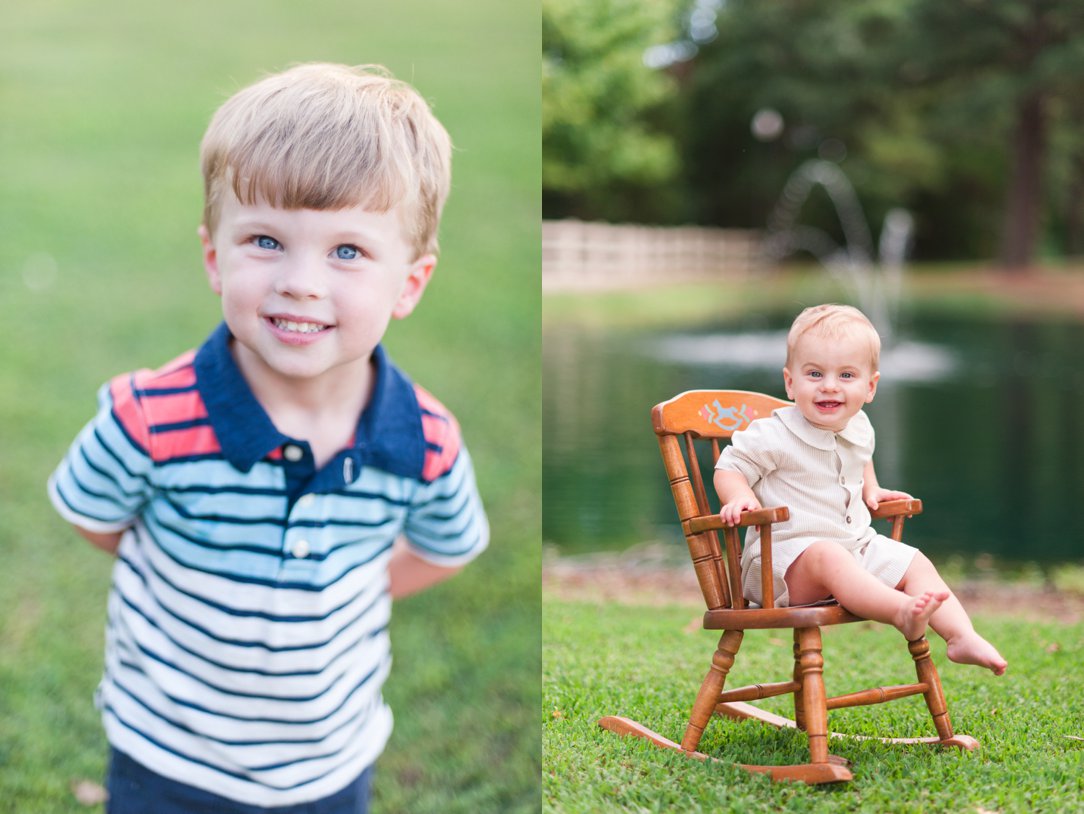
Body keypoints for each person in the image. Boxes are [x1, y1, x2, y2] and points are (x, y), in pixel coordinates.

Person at [47, 63, 489, 812]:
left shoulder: (425, 443)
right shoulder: (148, 417)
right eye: (265, 240)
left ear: (409, 284)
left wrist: (344, 586)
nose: (302, 281)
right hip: (166, 754)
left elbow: (448, 547)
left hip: (328, 765)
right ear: (215, 258)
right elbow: (94, 516)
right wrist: (181, 569)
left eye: (347, 251)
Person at [714, 304, 1006, 676]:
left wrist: (872, 489)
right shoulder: (773, 433)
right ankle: (900, 611)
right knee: (828, 555)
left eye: (846, 375)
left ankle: (961, 635)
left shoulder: (859, 426)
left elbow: (860, 455)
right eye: (815, 373)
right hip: (783, 566)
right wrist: (739, 495)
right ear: (790, 382)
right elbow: (730, 466)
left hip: (853, 547)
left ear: (870, 387)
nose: (830, 385)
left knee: (913, 560)